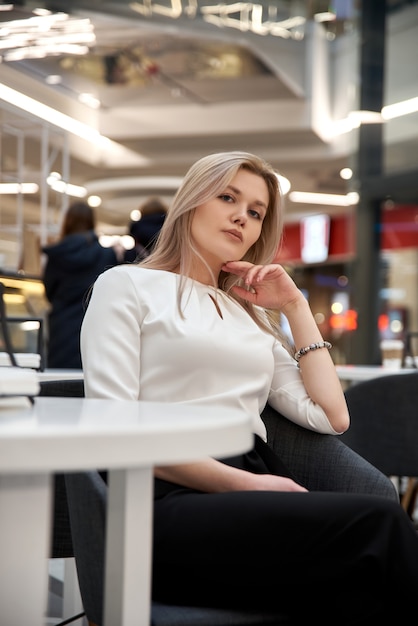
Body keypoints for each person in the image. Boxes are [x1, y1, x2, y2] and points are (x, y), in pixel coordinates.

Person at [80, 151, 418, 624]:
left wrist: (296, 308)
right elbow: (112, 432)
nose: (242, 215)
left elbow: (331, 416)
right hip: (165, 497)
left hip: (253, 486)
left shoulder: (249, 318)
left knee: (361, 590)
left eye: (256, 212)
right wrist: (250, 484)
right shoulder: (127, 285)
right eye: (227, 197)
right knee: (381, 527)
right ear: (192, 202)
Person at [42, 201, 120, 369]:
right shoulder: (106, 255)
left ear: (67, 221)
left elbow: (48, 292)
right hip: (96, 326)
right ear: (92, 222)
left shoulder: (56, 255)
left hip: (61, 327)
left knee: (59, 385)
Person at [123, 196, 167, 262]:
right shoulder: (171, 228)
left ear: (143, 211)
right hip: (165, 262)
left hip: (139, 262)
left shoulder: (137, 228)